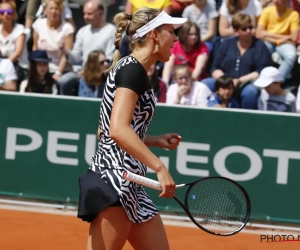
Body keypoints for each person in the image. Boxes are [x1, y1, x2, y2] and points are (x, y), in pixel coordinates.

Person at [77, 7, 186, 250]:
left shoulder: (130, 67)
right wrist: (158, 167)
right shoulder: (132, 70)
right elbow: (116, 129)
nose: (177, 39)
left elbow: (105, 130)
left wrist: (155, 140)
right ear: (155, 35)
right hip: (116, 180)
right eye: (172, 32)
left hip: (131, 184)